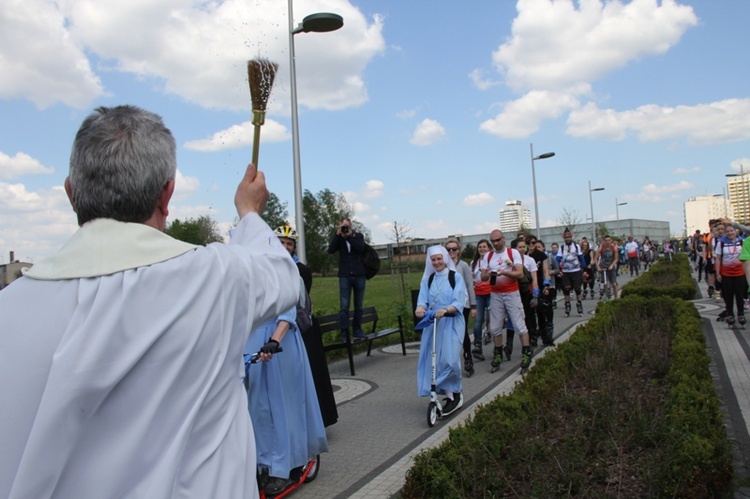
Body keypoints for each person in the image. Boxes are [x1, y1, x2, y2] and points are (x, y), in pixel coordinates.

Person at [0, 105, 300, 498]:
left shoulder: (10, 307)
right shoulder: (215, 280)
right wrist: (249, 213)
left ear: (71, 192)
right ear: (167, 193)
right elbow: (282, 274)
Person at [244, 304, 328, 496]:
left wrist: (274, 340)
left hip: (279, 342)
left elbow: (288, 308)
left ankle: (283, 467)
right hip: (252, 339)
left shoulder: (282, 273)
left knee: (283, 405)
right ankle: (262, 464)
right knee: (258, 409)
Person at [274, 225, 338, 428]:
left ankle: (313, 421)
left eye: (289, 244)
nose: (284, 247)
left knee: (307, 375)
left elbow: (298, 302)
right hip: (272, 329)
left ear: (294, 248)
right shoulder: (266, 267)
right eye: (281, 243)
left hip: (299, 327)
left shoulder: (301, 270)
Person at [414, 246, 467, 416]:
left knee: (450, 360)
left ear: (445, 258)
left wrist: (446, 310)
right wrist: (420, 308)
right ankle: (449, 395)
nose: (437, 262)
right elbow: (422, 300)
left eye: (439, 259)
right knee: (434, 361)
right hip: (433, 324)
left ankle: (456, 393)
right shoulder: (427, 280)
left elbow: (459, 300)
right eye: (433, 260)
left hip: (451, 322)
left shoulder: (455, 277)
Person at [480, 230, 534, 372]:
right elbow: (483, 278)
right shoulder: (488, 256)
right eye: (493, 241)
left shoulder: (512, 253)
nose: (496, 243)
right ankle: (498, 354)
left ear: (503, 239)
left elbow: (519, 273)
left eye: (498, 240)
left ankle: (526, 352)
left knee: (519, 324)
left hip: (511, 293)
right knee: (495, 327)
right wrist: (488, 274)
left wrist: (504, 272)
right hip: (496, 294)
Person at [328, 217, 367, 341]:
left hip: (359, 274)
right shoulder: (339, 239)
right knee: (344, 306)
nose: (345, 228)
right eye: (343, 226)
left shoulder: (358, 236)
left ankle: (357, 329)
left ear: (351, 226)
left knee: (358, 305)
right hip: (345, 275)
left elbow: (361, 248)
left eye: (347, 226)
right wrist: (337, 235)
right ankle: (344, 332)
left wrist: (349, 236)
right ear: (339, 226)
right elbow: (331, 250)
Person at [445, 238, 476, 376]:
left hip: (463, 304)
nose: (451, 252)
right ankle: (450, 362)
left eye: (454, 249)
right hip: (447, 304)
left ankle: (468, 358)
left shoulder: (463, 266)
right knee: (449, 333)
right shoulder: (443, 265)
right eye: (448, 249)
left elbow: (470, 285)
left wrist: (473, 305)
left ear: (459, 251)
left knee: (462, 333)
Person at [508, 238, 539, 357]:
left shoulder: (529, 260)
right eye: (519, 247)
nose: (522, 249)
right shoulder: (509, 261)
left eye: (523, 247)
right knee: (512, 319)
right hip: (513, 293)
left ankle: (530, 341)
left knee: (528, 316)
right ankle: (509, 344)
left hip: (526, 293)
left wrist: (535, 294)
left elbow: (534, 278)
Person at [715, 224, 746, 326]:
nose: (730, 233)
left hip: (740, 273)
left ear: (735, 231)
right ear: (725, 233)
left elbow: (746, 258)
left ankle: (741, 314)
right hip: (726, 273)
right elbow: (718, 259)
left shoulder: (742, 242)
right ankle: (730, 314)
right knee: (728, 295)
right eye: (727, 231)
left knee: (740, 294)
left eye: (731, 231)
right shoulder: (721, 243)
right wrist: (718, 273)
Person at [555, 228, 587, 317]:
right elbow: (557, 259)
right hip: (566, 272)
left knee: (577, 289)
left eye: (569, 237)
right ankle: (567, 305)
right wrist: (557, 270)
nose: (567, 239)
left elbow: (581, 258)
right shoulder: (562, 248)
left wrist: (585, 269)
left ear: (571, 237)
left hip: (576, 271)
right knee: (567, 289)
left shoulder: (576, 247)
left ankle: (579, 304)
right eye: (566, 238)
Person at [470, 239, 492, 360]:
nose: (482, 249)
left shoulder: (492, 261)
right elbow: (471, 280)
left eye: (484, 247)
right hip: (478, 294)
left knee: (492, 317)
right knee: (478, 320)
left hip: (491, 293)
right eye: (480, 247)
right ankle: (477, 344)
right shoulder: (474, 263)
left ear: (489, 248)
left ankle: (491, 335)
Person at [536, 239, 557, 345]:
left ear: (543, 248)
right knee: (540, 311)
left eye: (539, 247)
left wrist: (551, 272)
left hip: (549, 286)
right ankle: (541, 331)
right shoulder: (532, 258)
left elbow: (557, 269)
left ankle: (549, 333)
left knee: (548, 309)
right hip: (539, 288)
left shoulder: (549, 257)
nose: (537, 249)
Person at [596, 235, 620, 300]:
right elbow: (596, 258)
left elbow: (616, 259)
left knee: (614, 284)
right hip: (603, 267)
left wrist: (612, 265)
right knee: (605, 283)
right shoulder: (601, 248)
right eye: (606, 241)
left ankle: (616, 298)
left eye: (609, 240)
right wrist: (598, 267)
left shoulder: (614, 248)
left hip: (611, 267)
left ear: (611, 240)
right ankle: (607, 297)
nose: (607, 242)